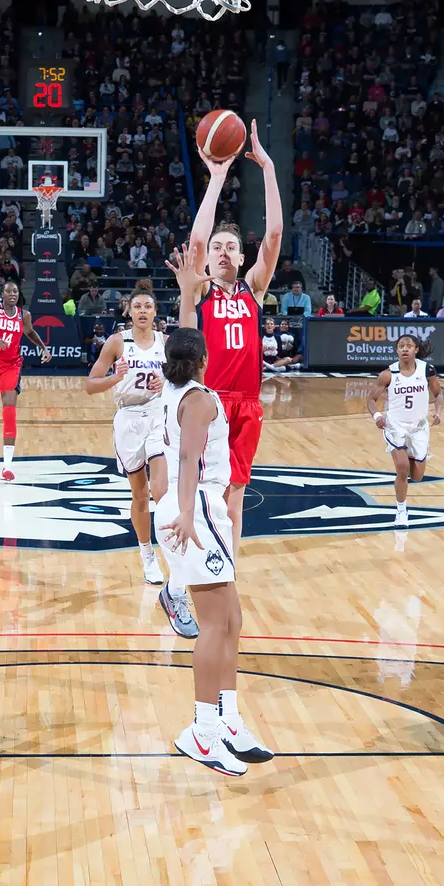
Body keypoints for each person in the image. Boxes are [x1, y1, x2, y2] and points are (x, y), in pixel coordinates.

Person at [174, 118, 284, 637]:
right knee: (200, 491)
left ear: (241, 258)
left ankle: (227, 570)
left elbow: (277, 234)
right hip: (209, 403)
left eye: (229, 249)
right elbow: (195, 241)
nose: (221, 253)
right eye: (217, 248)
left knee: (235, 496)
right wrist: (216, 177)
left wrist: (265, 167)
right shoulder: (201, 291)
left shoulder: (253, 291)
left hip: (249, 404)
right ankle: (180, 580)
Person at [154, 327, 271, 775]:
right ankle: (202, 732)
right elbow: (186, 460)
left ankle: (228, 718)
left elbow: (182, 335)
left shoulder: (174, 388)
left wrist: (187, 291)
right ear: (204, 358)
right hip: (197, 508)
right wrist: (186, 511)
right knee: (214, 626)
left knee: (232, 620)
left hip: (197, 507)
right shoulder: (199, 400)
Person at [84, 279, 169, 586]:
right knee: (140, 494)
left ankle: (173, 553)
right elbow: (90, 384)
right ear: (129, 311)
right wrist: (114, 378)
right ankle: (147, 555)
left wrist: (168, 385)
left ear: (155, 311)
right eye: (137, 307)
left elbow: (185, 382)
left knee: (162, 489)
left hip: (158, 415)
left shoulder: (166, 342)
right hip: (129, 418)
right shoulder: (117, 342)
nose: (143, 311)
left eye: (148, 306)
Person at [0, 280, 52, 480]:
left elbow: (29, 332)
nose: (12, 294)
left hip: (11, 365)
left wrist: (43, 347)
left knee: (9, 410)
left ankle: (7, 467)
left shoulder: (25, 315)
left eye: (15, 291)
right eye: (8, 291)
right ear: (2, 295)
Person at [367, 333, 443, 529]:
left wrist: (438, 411)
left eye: (409, 346)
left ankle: (414, 455)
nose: (405, 349)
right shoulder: (388, 374)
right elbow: (370, 400)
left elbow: (438, 394)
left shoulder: (427, 370)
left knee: (417, 476)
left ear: (416, 350)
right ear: (397, 350)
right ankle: (401, 511)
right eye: (401, 346)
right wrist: (377, 417)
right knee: (402, 468)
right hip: (396, 426)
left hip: (418, 427)